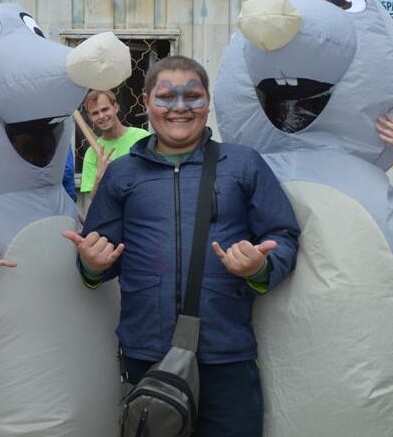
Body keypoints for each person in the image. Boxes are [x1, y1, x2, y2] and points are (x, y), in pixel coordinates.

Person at [63, 56, 300, 436]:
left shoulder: (243, 164)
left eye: (192, 96)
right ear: (145, 102)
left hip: (227, 355)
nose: (179, 108)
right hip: (147, 355)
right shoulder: (122, 173)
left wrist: (259, 268)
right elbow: (98, 259)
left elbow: (284, 235)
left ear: (208, 103)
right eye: (166, 97)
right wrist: (91, 265)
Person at [79, 90, 149, 197]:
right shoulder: (91, 153)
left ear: (115, 107)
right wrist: (99, 177)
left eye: (105, 109)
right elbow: (94, 200)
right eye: (95, 113)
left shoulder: (143, 138)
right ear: (89, 117)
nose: (101, 116)